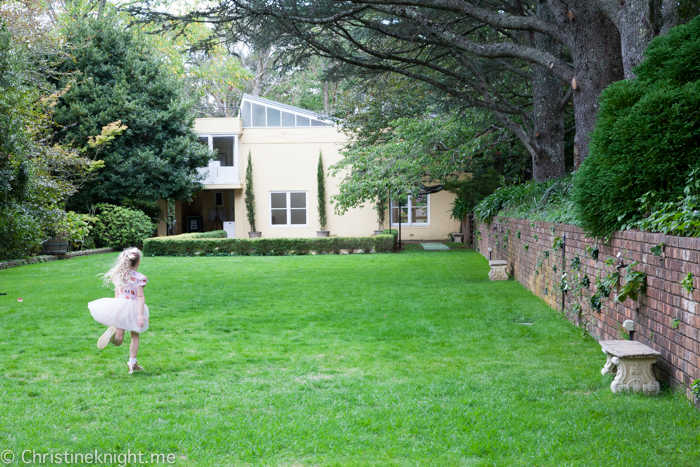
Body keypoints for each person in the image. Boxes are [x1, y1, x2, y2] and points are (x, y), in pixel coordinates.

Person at [88, 247, 149, 374]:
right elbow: (140, 296)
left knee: (119, 339)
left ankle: (112, 338)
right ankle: (132, 363)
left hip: (119, 306)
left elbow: (117, 293)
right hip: (133, 309)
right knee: (134, 336)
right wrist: (140, 314)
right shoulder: (139, 277)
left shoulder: (119, 276)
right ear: (138, 262)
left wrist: (114, 311)